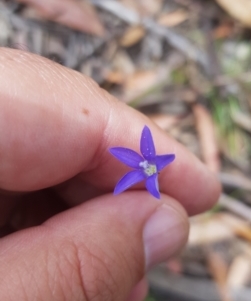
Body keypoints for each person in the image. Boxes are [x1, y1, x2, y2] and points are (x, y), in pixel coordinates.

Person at [0, 47, 220, 301]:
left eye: (152, 167)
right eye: (150, 167)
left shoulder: (154, 165)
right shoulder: (141, 170)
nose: (150, 168)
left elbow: (162, 161)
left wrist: (152, 170)